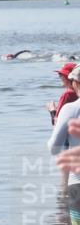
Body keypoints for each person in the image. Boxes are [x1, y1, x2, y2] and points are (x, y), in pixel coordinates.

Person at [49, 67, 80, 203]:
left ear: (76, 82)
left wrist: (52, 112)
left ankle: (62, 202)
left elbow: (54, 147)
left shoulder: (69, 102)